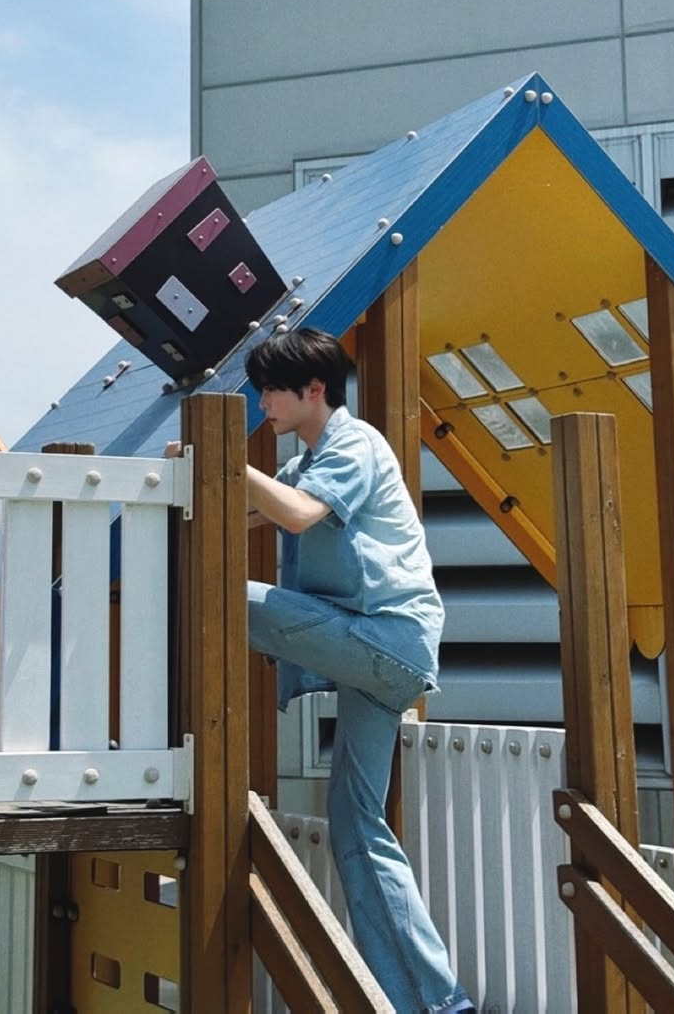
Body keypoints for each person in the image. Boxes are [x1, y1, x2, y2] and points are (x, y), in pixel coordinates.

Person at [244, 327, 473, 1014]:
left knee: (225, 597)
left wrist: (224, 461)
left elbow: (297, 515)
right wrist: (191, 475)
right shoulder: (308, 460)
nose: (262, 404)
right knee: (356, 828)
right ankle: (437, 1003)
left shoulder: (355, 444)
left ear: (313, 389)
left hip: (385, 639)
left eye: (270, 391)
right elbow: (254, 509)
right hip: (376, 656)